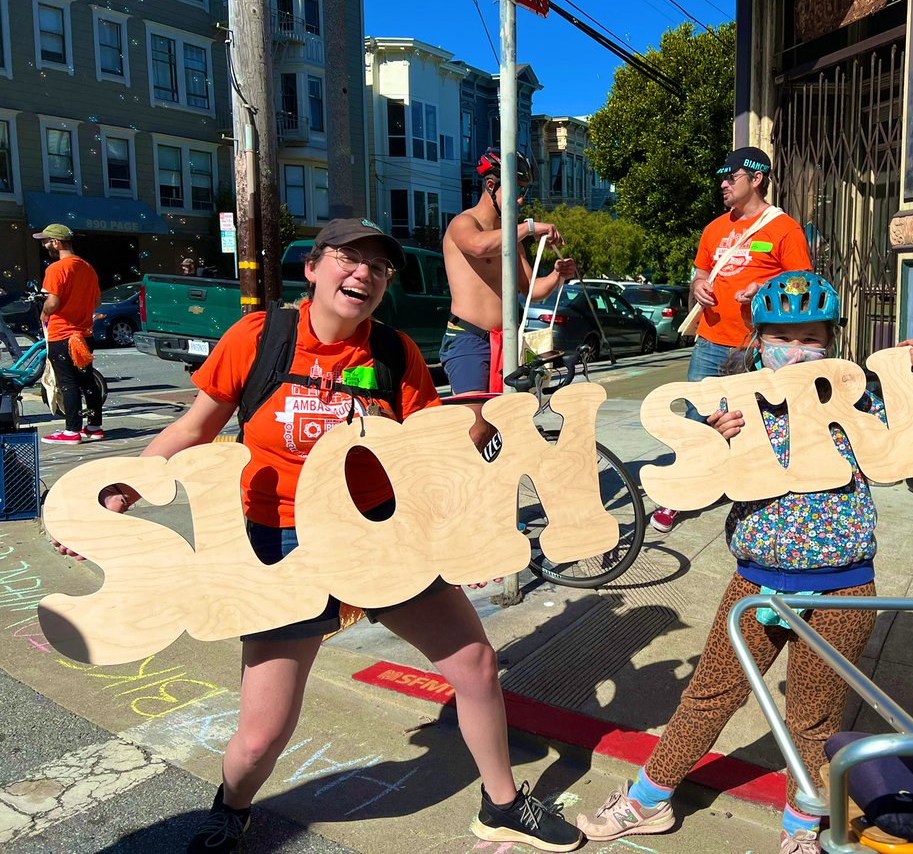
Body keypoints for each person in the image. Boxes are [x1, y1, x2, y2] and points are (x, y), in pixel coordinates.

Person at [52, 218, 582, 854]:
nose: (362, 272)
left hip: (381, 539)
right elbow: (194, 428)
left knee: (474, 665)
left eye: (378, 267)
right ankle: (232, 807)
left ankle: (501, 805)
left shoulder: (393, 354)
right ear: (313, 268)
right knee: (262, 732)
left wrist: (466, 507)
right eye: (347, 258)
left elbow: (427, 456)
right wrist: (119, 493)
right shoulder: (262, 337)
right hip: (281, 545)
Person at [576, 271, 913, 854]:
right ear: (758, 340)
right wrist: (710, 443)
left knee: (813, 717)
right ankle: (647, 800)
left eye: (812, 337)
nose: (797, 350)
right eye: (782, 336)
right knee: (708, 694)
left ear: (832, 342)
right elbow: (681, 500)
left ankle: (805, 825)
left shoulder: (860, 401)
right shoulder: (737, 404)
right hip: (754, 584)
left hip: (841, 590)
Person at [651, 147, 812, 532]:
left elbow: (803, 285)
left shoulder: (784, 228)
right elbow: (698, 275)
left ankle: (748, 489)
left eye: (730, 177)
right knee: (695, 416)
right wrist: (700, 286)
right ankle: (679, 494)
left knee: (751, 420)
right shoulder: (714, 228)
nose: (722, 184)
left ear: (756, 179)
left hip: (754, 347)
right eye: (721, 177)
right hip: (709, 341)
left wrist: (765, 286)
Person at [442, 148, 575, 447]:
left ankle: (494, 487)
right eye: (516, 192)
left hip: (507, 340)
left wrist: (557, 275)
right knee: (474, 428)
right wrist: (528, 228)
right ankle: (461, 489)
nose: (520, 201)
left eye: (524, 193)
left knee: (506, 422)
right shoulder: (463, 224)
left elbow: (532, 289)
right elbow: (478, 247)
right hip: (469, 337)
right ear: (491, 186)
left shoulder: (510, 236)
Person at [36, 224, 104, 445]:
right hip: (84, 335)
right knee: (87, 381)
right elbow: (97, 302)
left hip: (63, 334)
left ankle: (71, 431)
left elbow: (53, 302)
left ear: (56, 242)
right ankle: (94, 427)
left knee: (68, 382)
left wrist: (44, 312)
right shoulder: (88, 268)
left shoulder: (56, 269)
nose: (44, 244)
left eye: (46, 241)